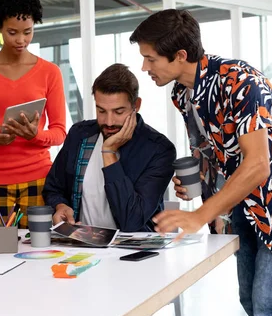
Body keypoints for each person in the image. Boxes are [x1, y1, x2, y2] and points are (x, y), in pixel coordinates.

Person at [130, 9, 272, 316]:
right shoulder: (182, 94)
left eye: (151, 59)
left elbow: (259, 164)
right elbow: (208, 150)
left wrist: (200, 216)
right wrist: (195, 184)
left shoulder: (237, 80)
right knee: (250, 301)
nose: (144, 67)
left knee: (269, 310)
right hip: (242, 197)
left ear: (180, 55)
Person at [0, 0, 66, 228]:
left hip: (39, 178)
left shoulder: (50, 73)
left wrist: (36, 135)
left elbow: (60, 132)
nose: (21, 40)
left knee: (40, 249)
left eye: (27, 32)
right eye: (12, 32)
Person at [43, 64, 176, 231]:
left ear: (137, 105)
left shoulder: (159, 150)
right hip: (82, 245)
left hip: (132, 251)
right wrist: (60, 205)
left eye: (118, 112)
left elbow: (131, 220)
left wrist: (109, 152)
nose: (109, 122)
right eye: (101, 111)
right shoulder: (80, 135)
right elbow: (53, 188)